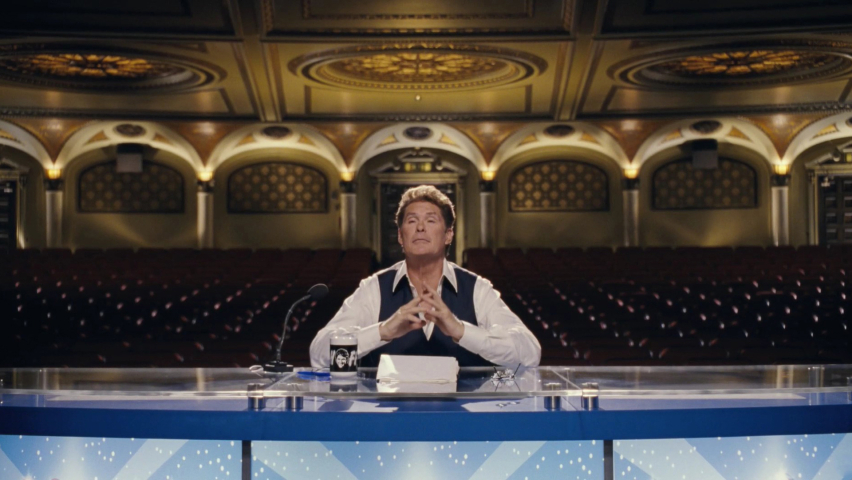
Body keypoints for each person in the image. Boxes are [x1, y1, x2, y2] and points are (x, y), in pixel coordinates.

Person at [310, 185, 541, 368]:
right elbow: (319, 355)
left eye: (431, 220)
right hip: (387, 412)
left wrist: (461, 330)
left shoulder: (477, 289)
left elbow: (529, 354)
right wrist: (383, 331)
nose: (420, 227)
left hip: (463, 412)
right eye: (412, 221)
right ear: (400, 236)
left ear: (448, 235)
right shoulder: (373, 289)